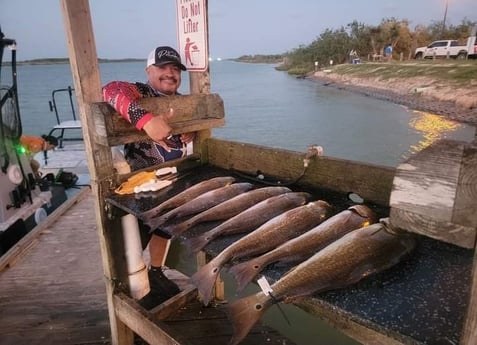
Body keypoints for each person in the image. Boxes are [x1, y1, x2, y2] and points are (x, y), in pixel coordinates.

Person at [102, 46, 195, 309]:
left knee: (166, 229)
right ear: (148, 71)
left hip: (174, 181)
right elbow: (110, 90)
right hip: (140, 187)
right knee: (134, 239)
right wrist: (145, 120)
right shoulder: (140, 93)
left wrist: (194, 132)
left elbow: (193, 125)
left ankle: (156, 271)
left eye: (175, 69)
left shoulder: (184, 102)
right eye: (163, 68)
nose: (170, 74)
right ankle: (130, 290)